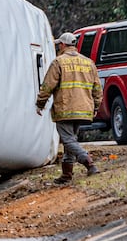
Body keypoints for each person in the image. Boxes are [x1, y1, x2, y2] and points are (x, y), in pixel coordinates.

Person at [36, 32, 103, 183]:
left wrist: (40, 103)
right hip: (84, 109)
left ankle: (89, 163)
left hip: (65, 109)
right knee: (70, 140)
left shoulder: (58, 62)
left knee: (68, 140)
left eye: (59, 45)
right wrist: (96, 106)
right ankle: (67, 175)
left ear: (62, 45)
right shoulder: (88, 63)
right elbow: (97, 88)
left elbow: (47, 86)